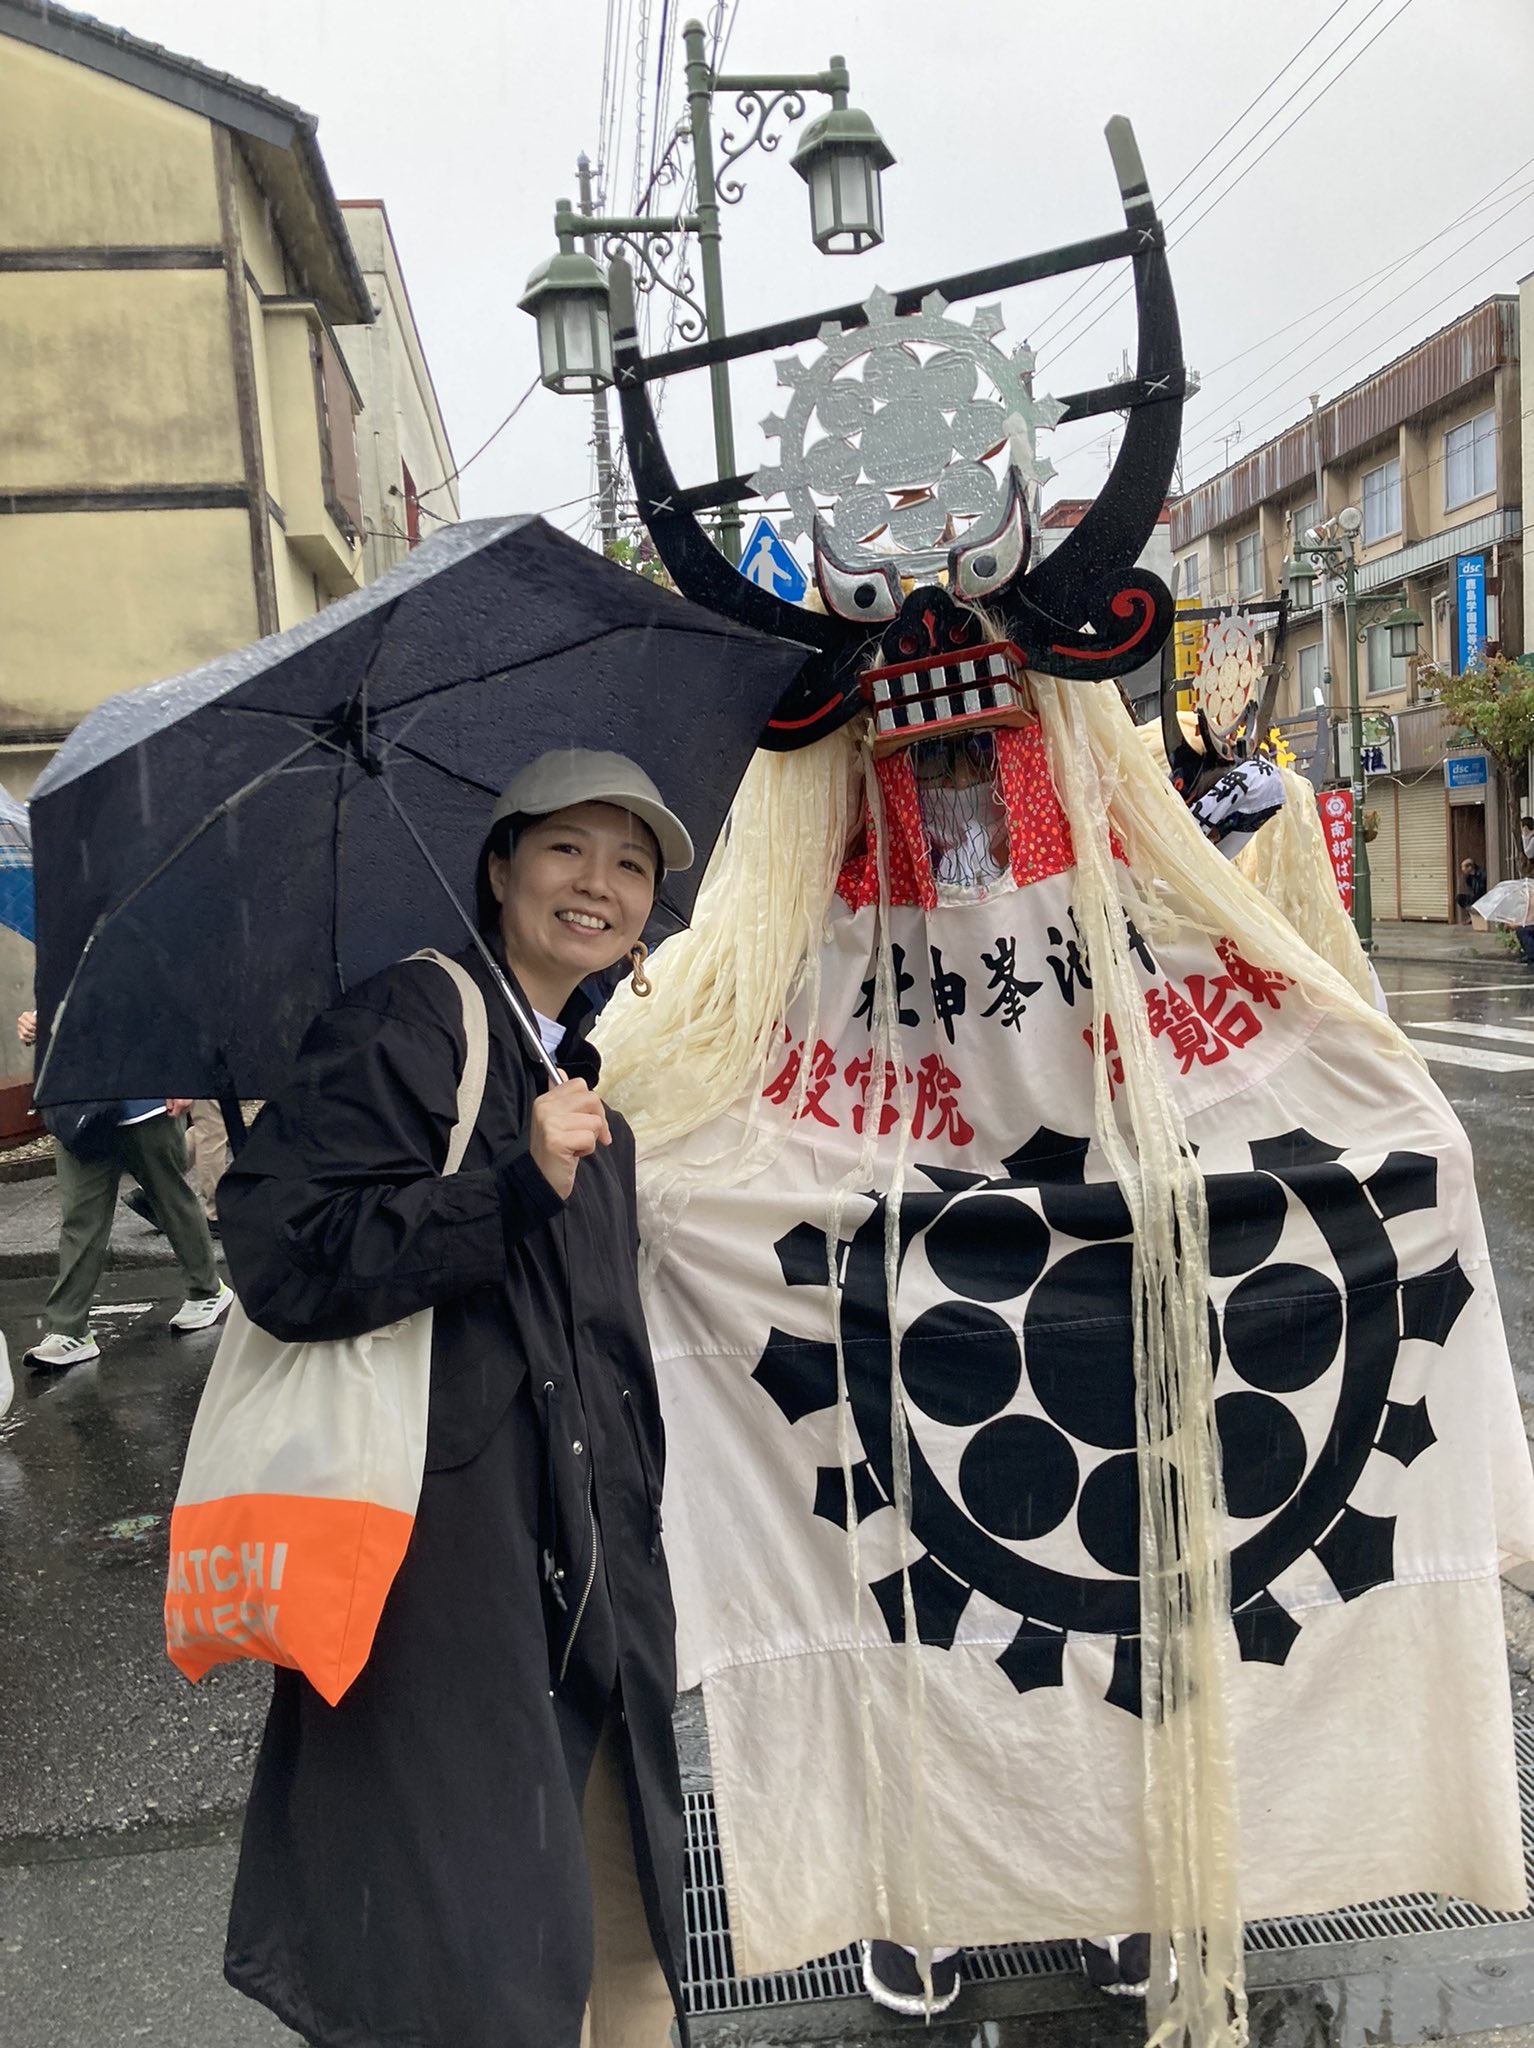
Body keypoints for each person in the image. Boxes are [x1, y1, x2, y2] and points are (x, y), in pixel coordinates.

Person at [215, 750, 692, 2048]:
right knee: (483, 1974)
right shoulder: (405, 1028)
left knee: (632, 1938)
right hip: (449, 1587)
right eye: (565, 850)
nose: (598, 884)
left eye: (631, 863)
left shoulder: (588, 1100)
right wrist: (506, 1191)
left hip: (592, 1575)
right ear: (497, 867)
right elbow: (276, 1252)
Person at [15, 1009, 232, 1370]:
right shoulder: (57, 959)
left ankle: (207, 1289)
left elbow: (177, 1001)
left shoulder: (147, 951)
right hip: (79, 1105)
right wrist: (38, 1023)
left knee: (170, 1199)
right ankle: (69, 1328)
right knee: (79, 1217)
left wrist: (183, 1073)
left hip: (145, 1098)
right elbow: (65, 1010)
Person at [1455, 855, 1487, 923]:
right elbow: (1471, 890)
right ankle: (1471, 914)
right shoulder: (1469, 878)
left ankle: (1474, 915)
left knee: (1473, 899)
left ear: (1469, 867)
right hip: (1474, 896)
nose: (1462, 869)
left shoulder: (1482, 875)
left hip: (1482, 897)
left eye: (1463, 867)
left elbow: (1482, 889)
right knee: (1459, 898)